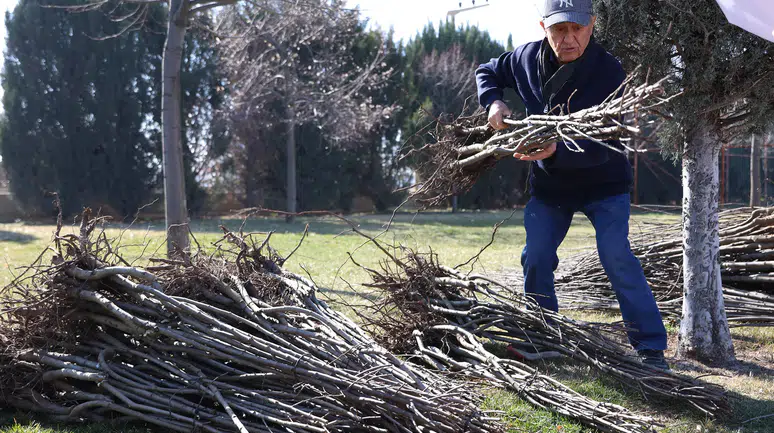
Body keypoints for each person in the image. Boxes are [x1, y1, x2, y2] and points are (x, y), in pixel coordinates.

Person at [475, 0, 669, 370]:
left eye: (577, 29)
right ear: (543, 26)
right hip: (551, 188)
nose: (568, 39)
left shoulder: (608, 70)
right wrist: (493, 103)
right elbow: (488, 70)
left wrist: (555, 150)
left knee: (616, 256)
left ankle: (650, 349)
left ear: (592, 25)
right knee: (536, 257)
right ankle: (543, 336)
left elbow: (609, 142)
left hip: (604, 184)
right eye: (559, 30)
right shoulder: (524, 59)